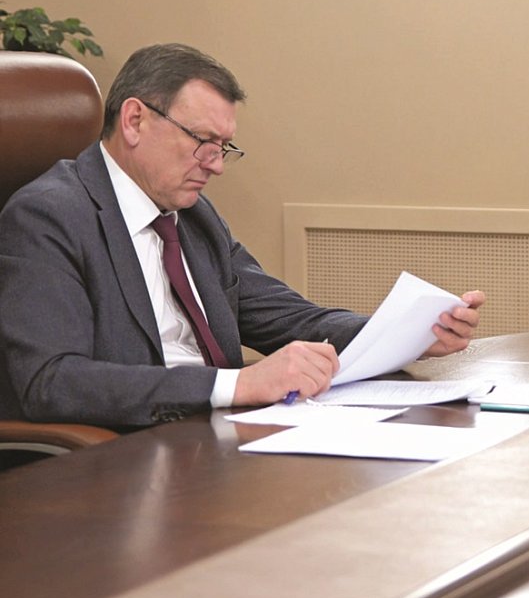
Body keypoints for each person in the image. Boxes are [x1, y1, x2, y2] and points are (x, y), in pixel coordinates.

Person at [0, 43, 483, 428]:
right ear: (134, 120)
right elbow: (51, 381)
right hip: (126, 456)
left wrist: (406, 335)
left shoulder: (193, 217)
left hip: (220, 436)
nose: (215, 165)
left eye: (223, 147)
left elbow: (287, 318)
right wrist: (239, 386)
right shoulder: (47, 217)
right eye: (203, 142)